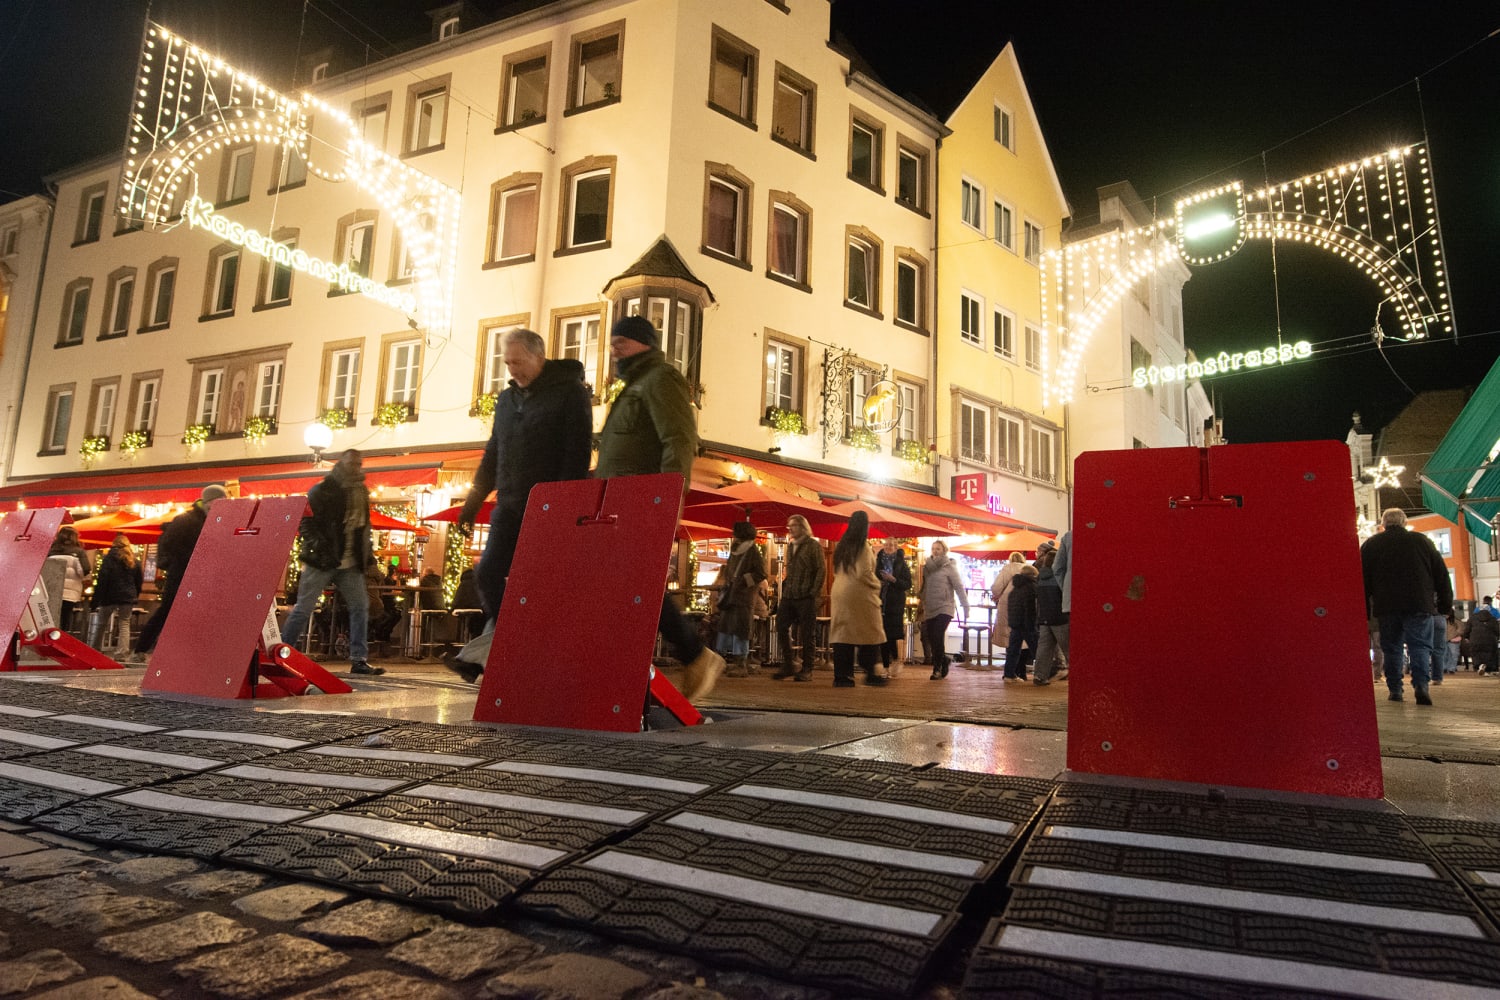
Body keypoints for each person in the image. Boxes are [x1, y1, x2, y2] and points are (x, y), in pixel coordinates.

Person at [449, 328, 593, 681]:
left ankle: (516, 648)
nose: (512, 369)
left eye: (519, 361)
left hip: (546, 507)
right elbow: (493, 453)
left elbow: (576, 454)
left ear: (539, 357)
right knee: (487, 571)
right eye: (508, 362)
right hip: (510, 504)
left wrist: (561, 505)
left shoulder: (570, 394)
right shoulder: (506, 400)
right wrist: (472, 504)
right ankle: (510, 642)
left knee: (540, 582)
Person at [595, 314, 725, 701]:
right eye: (613, 341)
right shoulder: (633, 384)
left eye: (623, 342)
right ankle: (680, 657)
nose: (615, 348)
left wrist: (668, 500)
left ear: (645, 343)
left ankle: (693, 654)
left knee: (636, 584)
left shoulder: (660, 379)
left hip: (640, 503)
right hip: (617, 505)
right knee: (628, 585)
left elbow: (679, 440)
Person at [280, 449, 381, 676]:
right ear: (342, 464)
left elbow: (363, 529)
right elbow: (306, 522)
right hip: (322, 560)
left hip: (350, 562)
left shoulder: (361, 491)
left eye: (359, 464)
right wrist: (320, 546)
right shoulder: (323, 490)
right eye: (352, 463)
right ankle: (284, 652)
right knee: (304, 608)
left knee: (359, 607)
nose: (356, 467)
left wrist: (369, 558)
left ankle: (359, 659)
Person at [1360, 507, 1453, 705]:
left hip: (1387, 606)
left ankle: (1395, 689)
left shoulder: (1371, 545)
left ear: (1383, 524)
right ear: (1404, 522)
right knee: (1419, 646)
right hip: (1419, 604)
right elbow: (1441, 575)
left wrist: (1364, 611)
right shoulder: (1422, 542)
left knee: (1391, 648)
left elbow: (1362, 580)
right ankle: (1421, 685)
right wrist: (1445, 605)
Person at [132, 484, 228, 661]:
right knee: (168, 610)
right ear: (210, 501)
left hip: (202, 575)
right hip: (181, 573)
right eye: (220, 501)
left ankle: (188, 653)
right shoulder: (187, 520)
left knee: (199, 613)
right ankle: (140, 649)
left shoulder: (217, 521)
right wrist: (174, 563)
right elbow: (167, 543)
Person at [828, 510, 888, 687]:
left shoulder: (842, 545)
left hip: (839, 592)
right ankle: (871, 672)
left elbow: (836, 569)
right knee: (870, 631)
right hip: (859, 594)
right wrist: (877, 585)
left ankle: (842, 676)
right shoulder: (863, 547)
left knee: (843, 634)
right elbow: (864, 572)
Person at [772, 514, 825, 682]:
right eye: (789, 526)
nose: (791, 529)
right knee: (780, 625)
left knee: (808, 633)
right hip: (790, 594)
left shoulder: (813, 546)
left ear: (803, 527)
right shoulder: (791, 546)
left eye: (794, 525)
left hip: (805, 595)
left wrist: (813, 591)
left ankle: (807, 668)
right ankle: (788, 663)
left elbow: (820, 569)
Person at [715, 521, 767, 676]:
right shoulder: (736, 550)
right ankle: (721, 659)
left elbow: (760, 574)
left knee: (741, 630)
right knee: (725, 628)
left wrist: (744, 581)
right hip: (732, 596)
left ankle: (740, 663)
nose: (732, 534)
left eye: (735, 532)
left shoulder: (752, 551)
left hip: (744, 597)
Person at [919, 539, 969, 680]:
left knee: (937, 634)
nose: (935, 551)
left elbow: (958, 587)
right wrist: (922, 602)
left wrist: (965, 605)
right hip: (930, 606)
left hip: (945, 606)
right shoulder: (927, 567)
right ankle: (944, 659)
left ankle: (937, 668)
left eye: (938, 549)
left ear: (944, 551)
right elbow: (925, 586)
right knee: (932, 637)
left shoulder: (949, 566)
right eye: (933, 548)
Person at [88, 534, 143, 655]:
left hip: (109, 596)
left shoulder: (108, 559)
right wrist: (135, 595)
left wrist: (96, 600)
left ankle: (94, 650)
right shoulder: (134, 560)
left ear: (114, 544)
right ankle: (122, 652)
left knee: (101, 623)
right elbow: (139, 581)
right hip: (127, 597)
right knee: (124, 623)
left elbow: (102, 580)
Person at [1033, 539, 1069, 685]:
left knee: (1044, 648)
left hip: (1044, 617)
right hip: (1060, 617)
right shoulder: (1060, 578)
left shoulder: (1040, 576)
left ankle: (1039, 676)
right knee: (1068, 648)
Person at [45, 526, 92, 635]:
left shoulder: (51, 551)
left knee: (51, 617)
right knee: (66, 616)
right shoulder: (79, 552)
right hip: (70, 592)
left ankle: (50, 638)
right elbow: (85, 570)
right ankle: (62, 638)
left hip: (51, 590)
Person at [876, 538, 912, 675]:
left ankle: (895, 660)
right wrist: (878, 583)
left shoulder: (901, 564)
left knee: (891, 635)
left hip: (894, 603)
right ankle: (885, 665)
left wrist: (893, 580)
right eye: (886, 545)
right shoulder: (878, 561)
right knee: (882, 634)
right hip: (880, 602)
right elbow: (872, 577)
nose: (888, 547)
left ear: (896, 548)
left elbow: (907, 583)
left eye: (891, 545)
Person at [1004, 563, 1040, 681]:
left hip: (1015, 623)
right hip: (1027, 623)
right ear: (1032, 575)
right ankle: (1041, 674)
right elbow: (1031, 608)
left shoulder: (1015, 588)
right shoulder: (1031, 587)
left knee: (1013, 650)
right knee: (1037, 650)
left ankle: (1009, 674)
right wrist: (1033, 624)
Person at [988, 551, 1026, 654]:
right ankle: (1020, 664)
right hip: (1025, 603)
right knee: (1021, 633)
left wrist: (998, 594)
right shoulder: (1028, 569)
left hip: (1008, 603)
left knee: (1008, 633)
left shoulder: (1008, 568)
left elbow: (996, 587)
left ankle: (1010, 662)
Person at [1467, 596, 1499, 675]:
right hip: (1490, 640)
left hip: (1475, 639)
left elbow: (1467, 628)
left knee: (1476, 653)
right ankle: (1488, 670)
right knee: (1490, 654)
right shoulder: (1493, 616)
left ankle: (1479, 665)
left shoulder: (1473, 617)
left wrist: (1466, 637)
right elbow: (1497, 630)